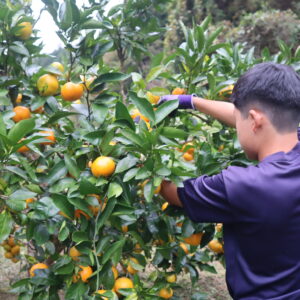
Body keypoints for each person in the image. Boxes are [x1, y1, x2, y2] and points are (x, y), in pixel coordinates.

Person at [159, 62, 300, 300]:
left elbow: (171, 192)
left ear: (254, 120)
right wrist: (192, 102)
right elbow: (249, 116)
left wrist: (140, 152)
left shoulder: (242, 185)